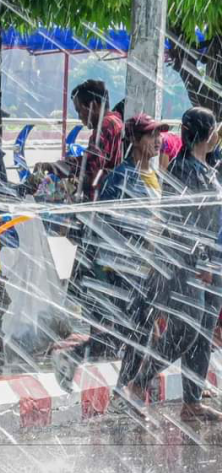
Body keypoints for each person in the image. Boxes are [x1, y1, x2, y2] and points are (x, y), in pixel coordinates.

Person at [123, 107, 222, 422]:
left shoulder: (205, 166)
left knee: (203, 331)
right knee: (186, 329)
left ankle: (191, 402)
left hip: (211, 263)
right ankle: (139, 382)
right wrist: (202, 260)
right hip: (185, 263)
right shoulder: (184, 171)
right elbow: (184, 225)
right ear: (208, 134)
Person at [95, 114, 167, 414]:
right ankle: (124, 389)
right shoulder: (121, 177)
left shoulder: (155, 176)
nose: (158, 141)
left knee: (144, 333)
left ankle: (125, 390)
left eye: (159, 135)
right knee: (138, 332)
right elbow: (105, 222)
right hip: (128, 268)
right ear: (135, 140)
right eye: (151, 135)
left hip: (150, 268)